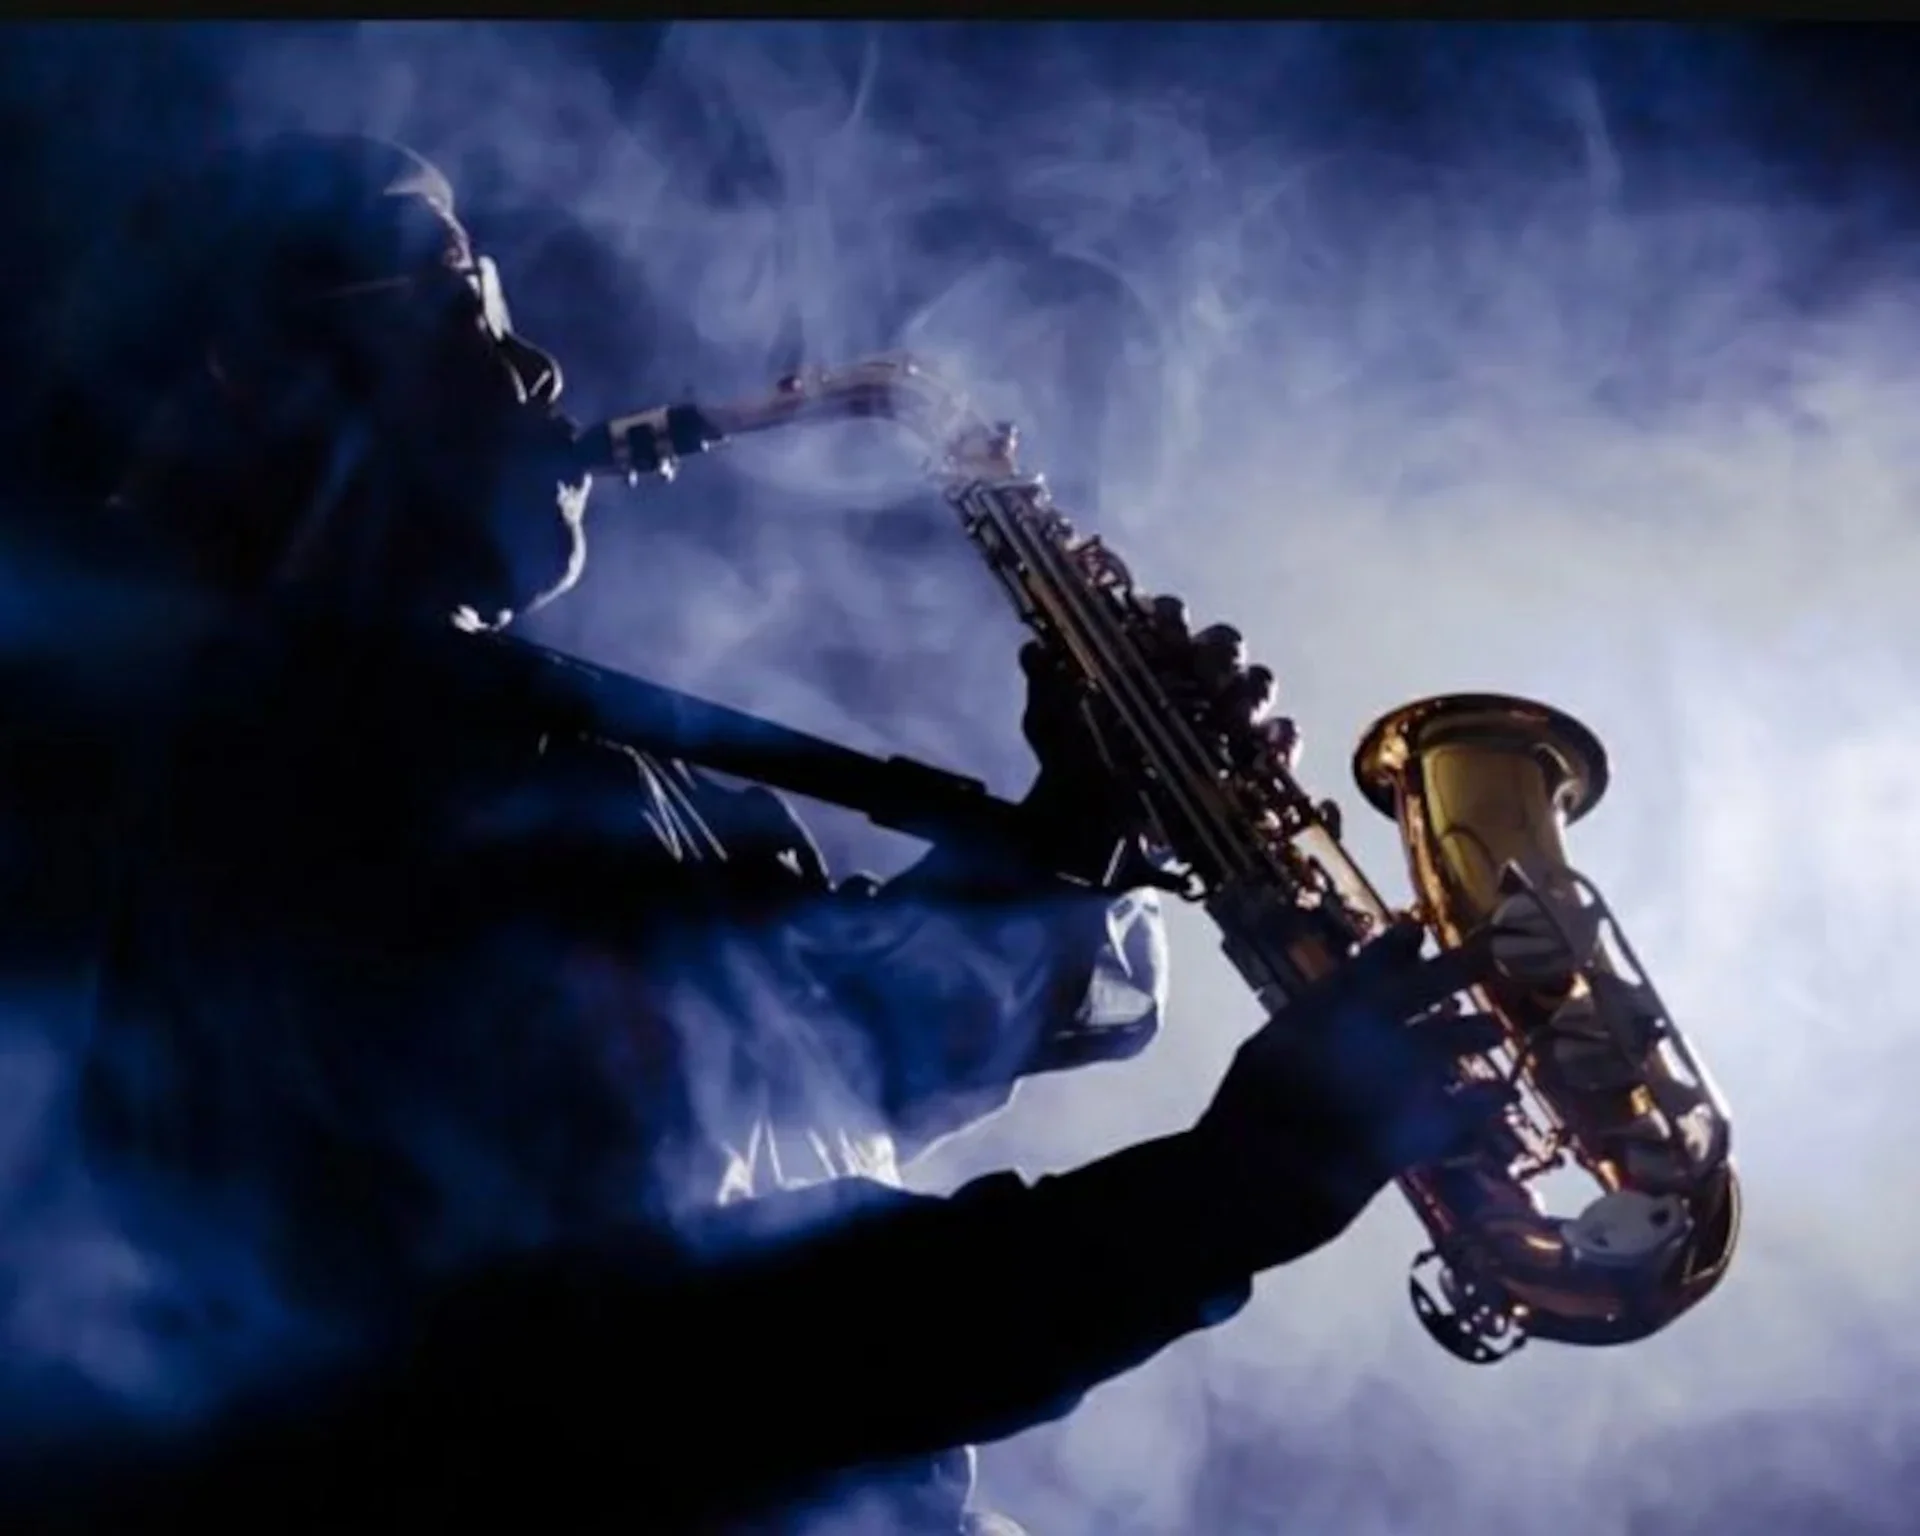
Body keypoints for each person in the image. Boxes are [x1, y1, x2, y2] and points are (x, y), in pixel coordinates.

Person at [3, 133, 1509, 1534]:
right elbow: (647, 1370)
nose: (538, 366)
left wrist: (1081, 822)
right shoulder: (276, 796)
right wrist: (1227, 1192)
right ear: (265, 383)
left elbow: (826, 1071)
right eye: (462, 310)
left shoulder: (540, 752)